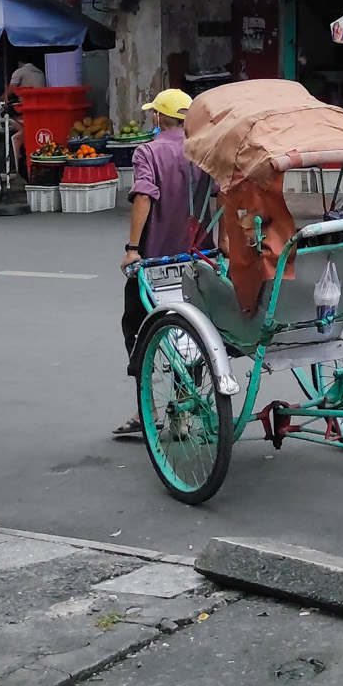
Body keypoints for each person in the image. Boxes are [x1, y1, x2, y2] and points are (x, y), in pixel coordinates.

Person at [114, 88, 195, 440]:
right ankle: (183, 407)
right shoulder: (203, 150)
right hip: (197, 258)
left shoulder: (149, 150)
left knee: (136, 324)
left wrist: (133, 248)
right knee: (192, 333)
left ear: (160, 118)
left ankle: (148, 405)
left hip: (156, 261)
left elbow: (144, 195)